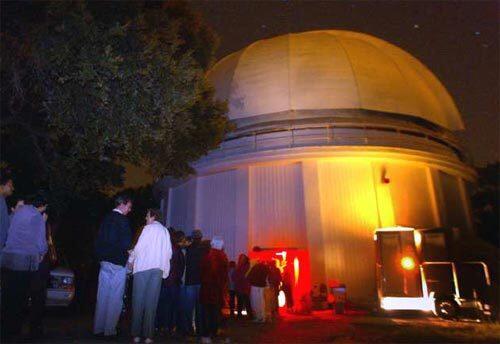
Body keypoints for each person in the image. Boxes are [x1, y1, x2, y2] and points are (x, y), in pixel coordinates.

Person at [1, 193, 48, 341]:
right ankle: (19, 330)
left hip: (9, 258)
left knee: (11, 296)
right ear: (42, 206)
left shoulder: (17, 212)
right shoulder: (36, 216)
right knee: (22, 296)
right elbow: (41, 243)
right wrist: (42, 252)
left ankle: (7, 329)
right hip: (24, 260)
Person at [128, 209, 172, 344]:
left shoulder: (148, 228)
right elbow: (169, 253)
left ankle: (136, 334)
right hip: (157, 269)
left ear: (153, 216)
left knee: (138, 301)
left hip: (143, 268)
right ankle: (148, 336)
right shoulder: (165, 231)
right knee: (151, 303)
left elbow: (139, 247)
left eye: (147, 215)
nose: (145, 217)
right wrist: (164, 270)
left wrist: (130, 261)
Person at [93, 195, 133, 338]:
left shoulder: (106, 218)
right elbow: (126, 244)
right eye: (129, 206)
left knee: (102, 295)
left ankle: (98, 328)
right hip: (117, 262)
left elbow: (98, 240)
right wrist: (131, 259)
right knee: (115, 297)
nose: (129, 210)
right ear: (122, 204)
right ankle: (110, 330)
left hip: (104, 262)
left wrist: (100, 257)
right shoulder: (122, 220)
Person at [156, 230, 185, 336]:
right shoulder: (177, 250)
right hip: (173, 282)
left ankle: (161, 327)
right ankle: (169, 327)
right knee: (172, 306)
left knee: (163, 305)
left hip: (165, 281)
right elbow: (180, 267)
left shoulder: (167, 248)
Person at [200, 237, 228, 344]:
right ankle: (213, 331)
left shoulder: (209, 256)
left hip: (207, 288)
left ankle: (206, 334)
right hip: (217, 290)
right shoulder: (223, 257)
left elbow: (203, 272)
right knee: (215, 312)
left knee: (207, 312)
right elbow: (224, 276)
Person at [181, 229, 208, 336]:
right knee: (200, 308)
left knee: (189, 307)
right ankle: (200, 329)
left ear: (193, 238)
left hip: (190, 281)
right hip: (201, 281)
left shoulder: (188, 249)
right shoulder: (205, 250)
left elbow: (185, 263)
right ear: (200, 238)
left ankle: (188, 329)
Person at [233, 254, 252, 319]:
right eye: (241, 258)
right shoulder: (240, 266)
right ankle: (241, 315)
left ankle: (248, 315)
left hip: (243, 286)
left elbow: (241, 276)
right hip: (240, 286)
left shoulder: (245, 266)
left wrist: (237, 278)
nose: (241, 259)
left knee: (245, 301)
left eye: (242, 258)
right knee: (241, 301)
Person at [0, 168, 14, 253]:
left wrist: (14, 213)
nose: (12, 188)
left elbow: (4, 224)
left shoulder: (2, 201)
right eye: (10, 184)